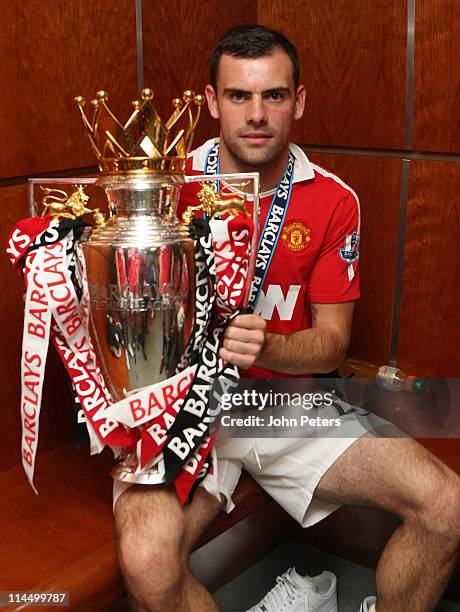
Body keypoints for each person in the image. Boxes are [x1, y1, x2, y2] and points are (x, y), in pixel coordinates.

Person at [114, 25, 460, 612]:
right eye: (239, 96)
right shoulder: (165, 190)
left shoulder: (332, 199)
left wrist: (267, 347)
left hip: (279, 405)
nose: (256, 114)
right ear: (211, 101)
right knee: (147, 559)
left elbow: (330, 344)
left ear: (297, 102)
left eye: (273, 95)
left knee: (447, 504)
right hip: (182, 411)